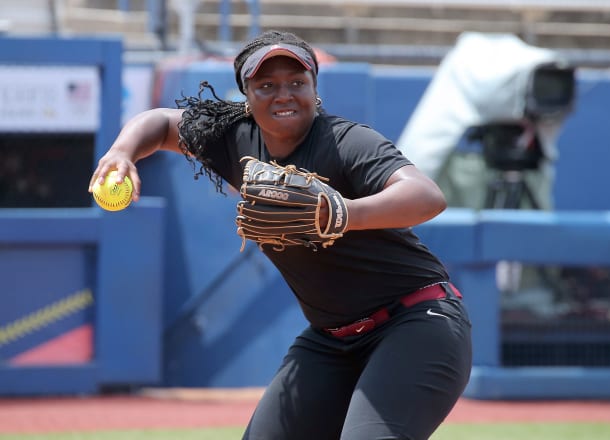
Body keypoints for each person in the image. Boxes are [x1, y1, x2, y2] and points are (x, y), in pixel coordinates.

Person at [89, 30, 472, 440]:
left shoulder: (345, 141)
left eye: (297, 82)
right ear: (246, 95)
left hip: (417, 321)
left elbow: (426, 196)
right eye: (266, 85)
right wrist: (122, 151)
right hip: (332, 340)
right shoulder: (234, 137)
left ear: (315, 89)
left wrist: (339, 212)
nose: (284, 94)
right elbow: (162, 122)